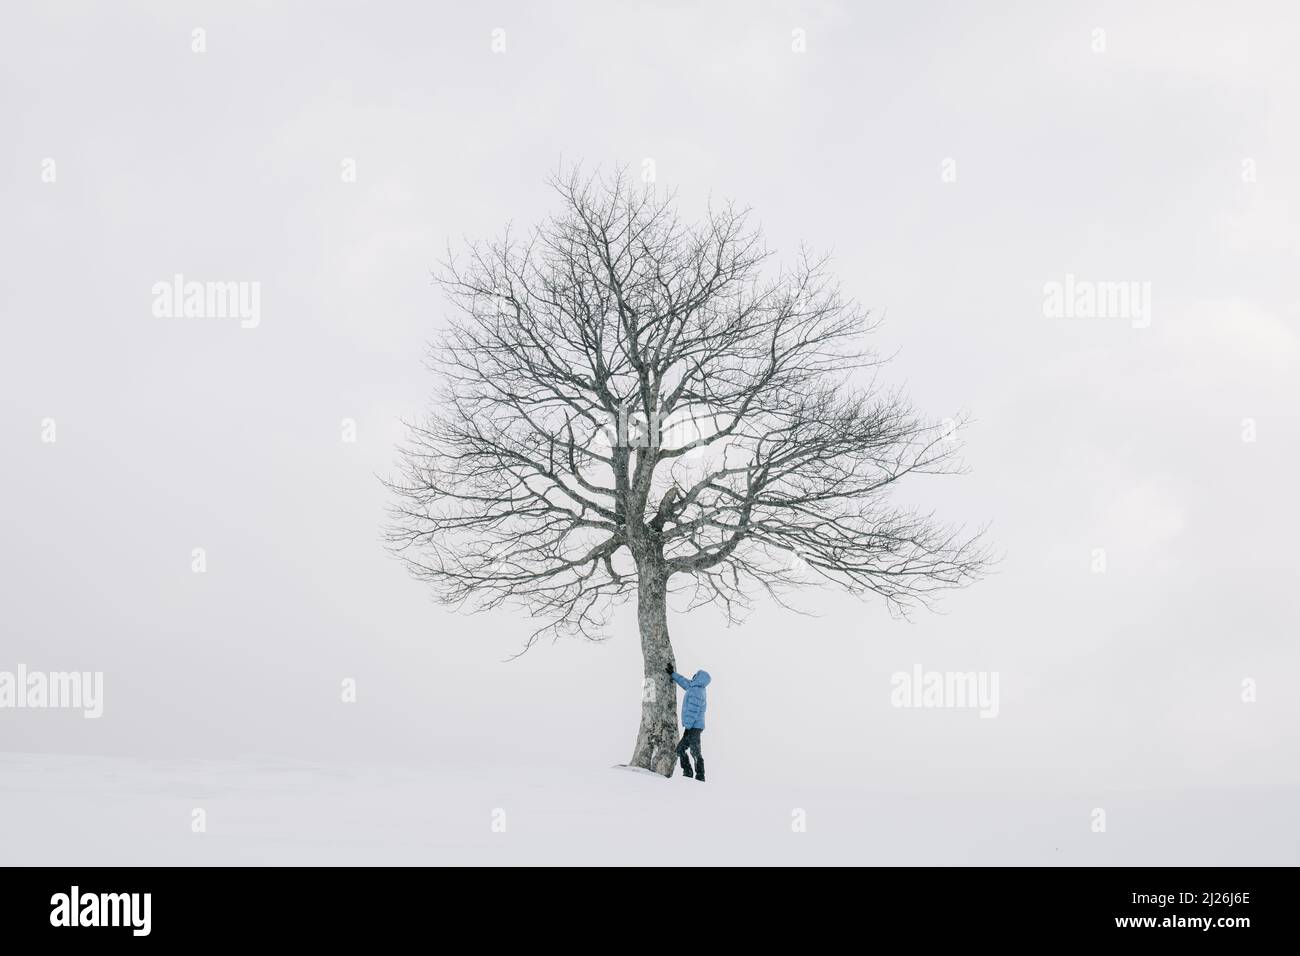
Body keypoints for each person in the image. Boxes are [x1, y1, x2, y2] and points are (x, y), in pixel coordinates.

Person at [666, 663, 711, 782]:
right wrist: (673, 674)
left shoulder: (697, 692)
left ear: (699, 678)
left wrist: (688, 726)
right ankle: (689, 772)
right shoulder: (695, 688)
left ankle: (698, 775)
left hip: (694, 727)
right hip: (693, 726)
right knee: (683, 749)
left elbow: (693, 710)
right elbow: (685, 682)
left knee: (692, 751)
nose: (693, 676)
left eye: (696, 675)